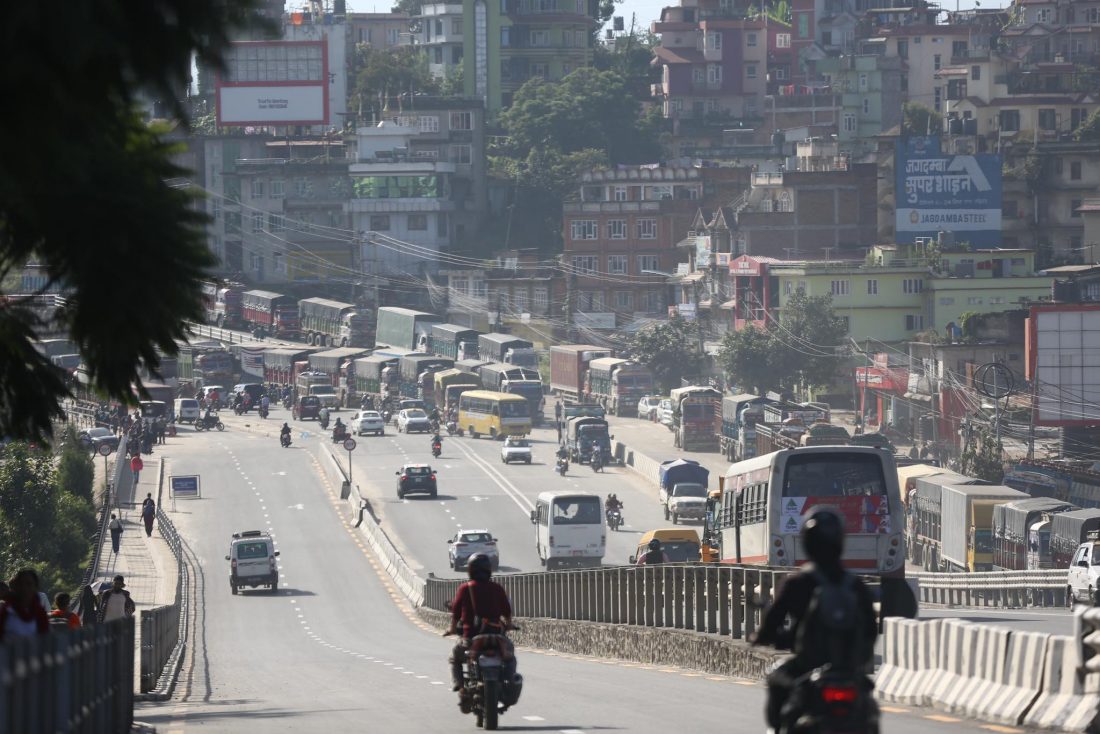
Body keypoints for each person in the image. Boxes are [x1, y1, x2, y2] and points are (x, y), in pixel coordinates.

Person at [752, 510, 878, 731]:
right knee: (869, 710)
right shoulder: (856, 585)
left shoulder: (798, 582)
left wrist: (762, 637)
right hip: (849, 670)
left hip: (805, 667)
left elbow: (771, 625)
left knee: (776, 681)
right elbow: (870, 629)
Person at [446, 554, 513, 692]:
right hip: (496, 637)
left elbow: (456, 612)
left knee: (455, 657)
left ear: (470, 570)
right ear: (489, 570)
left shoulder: (465, 588)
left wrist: (452, 629)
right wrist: (510, 624)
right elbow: (507, 611)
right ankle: (509, 680)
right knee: (510, 654)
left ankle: (460, 685)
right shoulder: (497, 588)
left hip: (471, 637)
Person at [0, 569, 50, 640]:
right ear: (14, 587)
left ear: (36, 587)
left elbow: (45, 640)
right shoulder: (7, 611)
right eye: (20, 584)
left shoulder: (40, 613)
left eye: (29, 584)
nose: (24, 588)